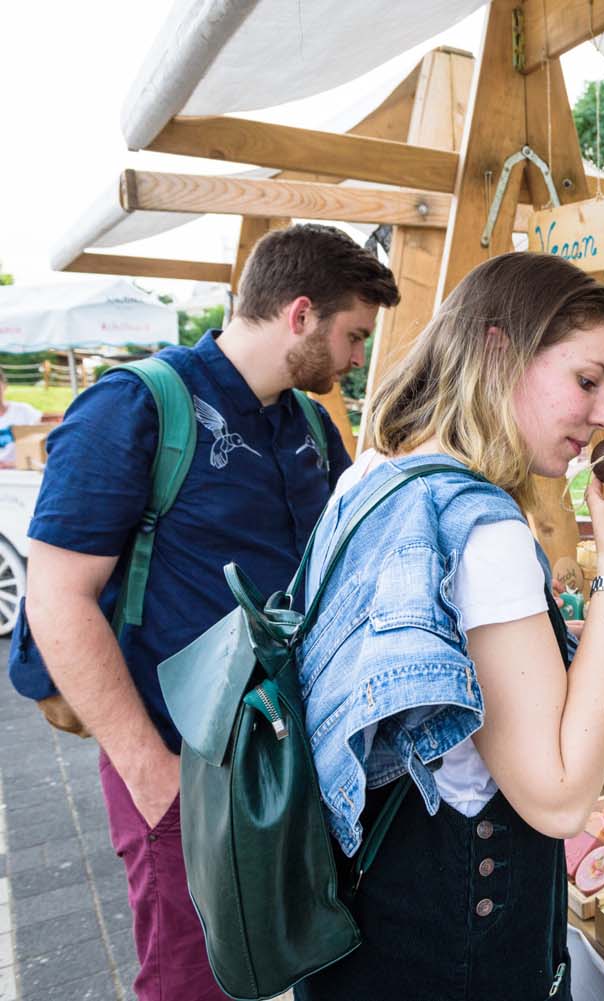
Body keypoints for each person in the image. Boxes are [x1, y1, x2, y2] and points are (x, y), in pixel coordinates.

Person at [12, 223, 398, 1001]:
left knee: (286, 960)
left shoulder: (312, 427)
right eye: (353, 335)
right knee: (194, 982)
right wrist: (152, 776)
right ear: (299, 314)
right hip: (179, 762)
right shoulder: (135, 407)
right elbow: (56, 597)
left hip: (287, 759)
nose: (356, 359)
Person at [294, 253, 604, 1000]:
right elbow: (561, 795)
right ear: (499, 350)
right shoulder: (483, 532)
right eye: (586, 379)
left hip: (365, 923)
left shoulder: (370, 478)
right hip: (460, 944)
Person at [0, 368, 44, 467]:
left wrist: (12, 464)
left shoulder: (24, 411)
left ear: (5, 386)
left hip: (22, 473)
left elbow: (42, 440)